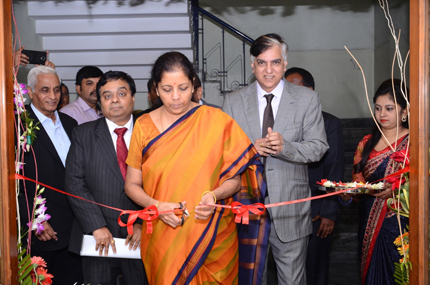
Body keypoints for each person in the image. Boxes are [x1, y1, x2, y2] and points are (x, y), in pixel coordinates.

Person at [125, 51, 269, 285]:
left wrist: (214, 195)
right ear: (155, 89)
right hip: (165, 235)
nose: (175, 97)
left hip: (214, 232)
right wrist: (158, 206)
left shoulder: (217, 121)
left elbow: (234, 181)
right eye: (167, 89)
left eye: (182, 88)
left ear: (193, 85)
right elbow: (131, 184)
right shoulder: (143, 126)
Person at [222, 34, 328, 285]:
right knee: (247, 280)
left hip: (290, 210)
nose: (269, 70)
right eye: (261, 63)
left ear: (285, 63)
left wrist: (285, 147)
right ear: (252, 65)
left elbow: (318, 148)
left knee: (292, 281)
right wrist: (249, 150)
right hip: (245, 210)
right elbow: (221, 155)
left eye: (276, 62)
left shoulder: (306, 99)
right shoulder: (233, 101)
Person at [65, 70, 147, 284]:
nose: (115, 101)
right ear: (100, 102)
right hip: (99, 239)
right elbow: (74, 183)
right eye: (107, 96)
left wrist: (143, 222)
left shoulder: (150, 132)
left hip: (140, 236)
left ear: (133, 97)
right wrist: (96, 226)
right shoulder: (83, 134)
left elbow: (160, 181)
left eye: (121, 93)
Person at [17, 66, 82, 283]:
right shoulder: (17, 126)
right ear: (31, 92)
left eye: (57, 90)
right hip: (42, 230)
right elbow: (10, 181)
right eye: (45, 90)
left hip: (74, 230)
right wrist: (34, 219)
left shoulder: (70, 124)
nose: (53, 96)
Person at [285, 67, 344, 285]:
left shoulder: (329, 123)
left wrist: (329, 211)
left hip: (317, 212)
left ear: (310, 91)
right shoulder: (281, 124)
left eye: (293, 88)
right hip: (288, 210)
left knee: (316, 268)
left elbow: (335, 168)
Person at [348, 79, 409, 285]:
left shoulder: (415, 142)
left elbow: (421, 179)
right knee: (370, 270)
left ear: (405, 111)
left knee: (398, 270)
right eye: (378, 108)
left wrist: (396, 190)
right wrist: (354, 190)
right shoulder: (367, 142)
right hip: (368, 216)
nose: (382, 114)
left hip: (400, 219)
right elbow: (357, 175)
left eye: (389, 108)